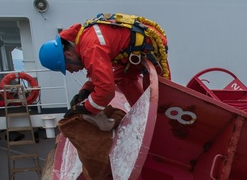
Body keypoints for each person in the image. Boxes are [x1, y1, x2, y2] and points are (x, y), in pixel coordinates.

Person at [38, 13, 170, 131]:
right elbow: (98, 72)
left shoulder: (90, 48)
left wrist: (86, 108)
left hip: (150, 49)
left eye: (67, 68)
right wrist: (86, 91)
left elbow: (106, 90)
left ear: (68, 55)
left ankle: (155, 124)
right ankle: (143, 117)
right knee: (125, 80)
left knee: (159, 101)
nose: (71, 72)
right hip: (135, 51)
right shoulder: (84, 40)